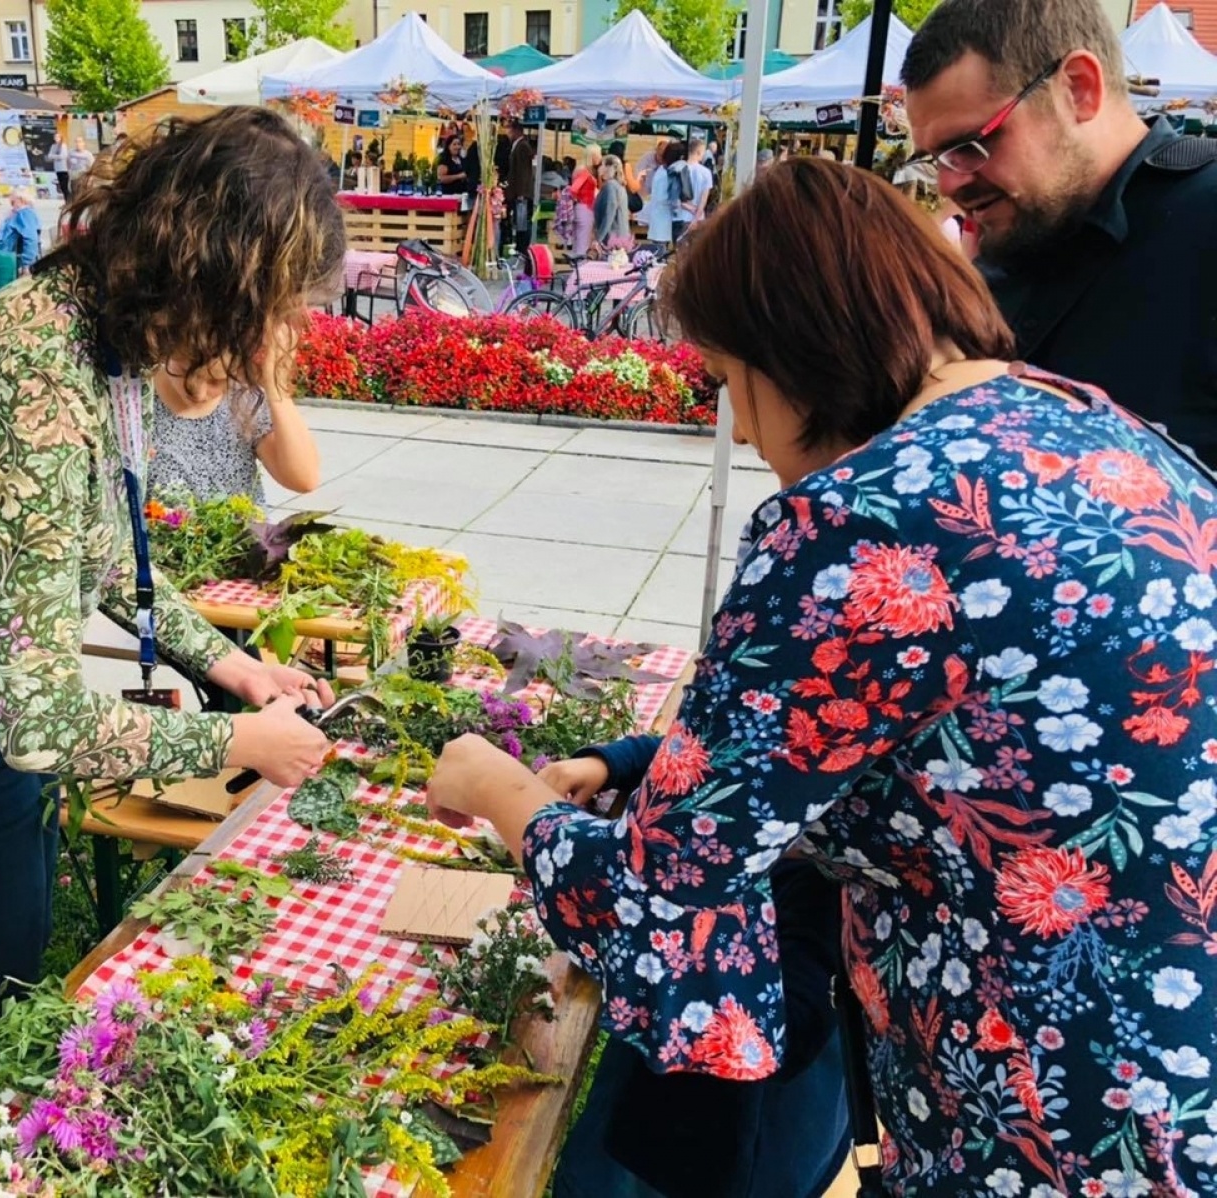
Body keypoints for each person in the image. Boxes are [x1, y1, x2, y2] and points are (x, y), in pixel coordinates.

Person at [424, 158, 1217, 1198]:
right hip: (1173, 1071)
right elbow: (956, 751)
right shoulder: (1088, 424)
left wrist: (501, 792)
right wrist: (634, 764)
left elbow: (666, 907)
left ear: (789, 347)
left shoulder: (857, 519)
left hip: (1041, 1117)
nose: (744, 433)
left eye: (728, 383)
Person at [0, 106, 341, 1027]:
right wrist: (239, 741)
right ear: (213, 271)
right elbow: (38, 721)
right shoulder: (46, 386)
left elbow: (105, 558)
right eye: (267, 306)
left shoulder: (93, 328)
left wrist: (232, 666)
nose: (266, 336)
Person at [903, 0, 1217, 468]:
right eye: (937, 160)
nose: (950, 183)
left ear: (1078, 89)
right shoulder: (1014, 243)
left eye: (970, 145)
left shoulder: (1203, 221)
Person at [545, 742, 849, 1198]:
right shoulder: (783, 772)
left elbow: (778, 1040)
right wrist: (606, 763)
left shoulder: (826, 892)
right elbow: (718, 746)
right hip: (650, 1092)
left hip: (720, 1147)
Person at [147, 360, 320, 503]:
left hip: (243, 541)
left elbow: (304, 479)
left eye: (216, 380)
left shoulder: (243, 397)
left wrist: (276, 387)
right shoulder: (137, 402)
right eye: (185, 371)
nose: (199, 393)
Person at [641, 141, 685, 245]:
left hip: (659, 217)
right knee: (660, 250)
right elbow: (666, 198)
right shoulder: (668, 173)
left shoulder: (662, 170)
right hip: (662, 218)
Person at [505, 119, 536, 257]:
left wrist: (521, 193)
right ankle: (519, 246)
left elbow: (523, 172)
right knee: (519, 220)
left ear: (516, 130)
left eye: (509, 129)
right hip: (517, 191)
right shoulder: (517, 145)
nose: (508, 132)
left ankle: (522, 248)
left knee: (522, 220)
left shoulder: (522, 146)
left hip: (521, 192)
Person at [0, 188, 42, 274]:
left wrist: (26, 264)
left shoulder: (24, 214)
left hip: (5, 259)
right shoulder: (27, 213)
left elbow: (31, 239)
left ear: (21, 200)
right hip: (4, 257)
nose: (12, 206)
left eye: (13, 202)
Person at [590, 154, 630, 253]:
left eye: (601, 165)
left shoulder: (610, 186)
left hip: (612, 239)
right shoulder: (619, 186)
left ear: (608, 168)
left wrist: (598, 239)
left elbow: (609, 214)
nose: (599, 168)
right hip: (619, 236)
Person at [674, 138, 714, 237]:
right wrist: (696, 216)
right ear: (699, 152)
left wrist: (688, 207)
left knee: (680, 250)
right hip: (699, 218)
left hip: (680, 217)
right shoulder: (706, 172)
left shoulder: (677, 170)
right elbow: (704, 199)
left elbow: (674, 196)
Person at [568, 143, 602, 258]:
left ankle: (576, 269)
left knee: (578, 242)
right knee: (583, 243)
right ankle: (580, 270)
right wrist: (581, 198)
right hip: (585, 208)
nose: (601, 157)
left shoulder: (581, 170)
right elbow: (573, 190)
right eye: (599, 154)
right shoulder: (584, 172)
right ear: (592, 156)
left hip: (582, 208)